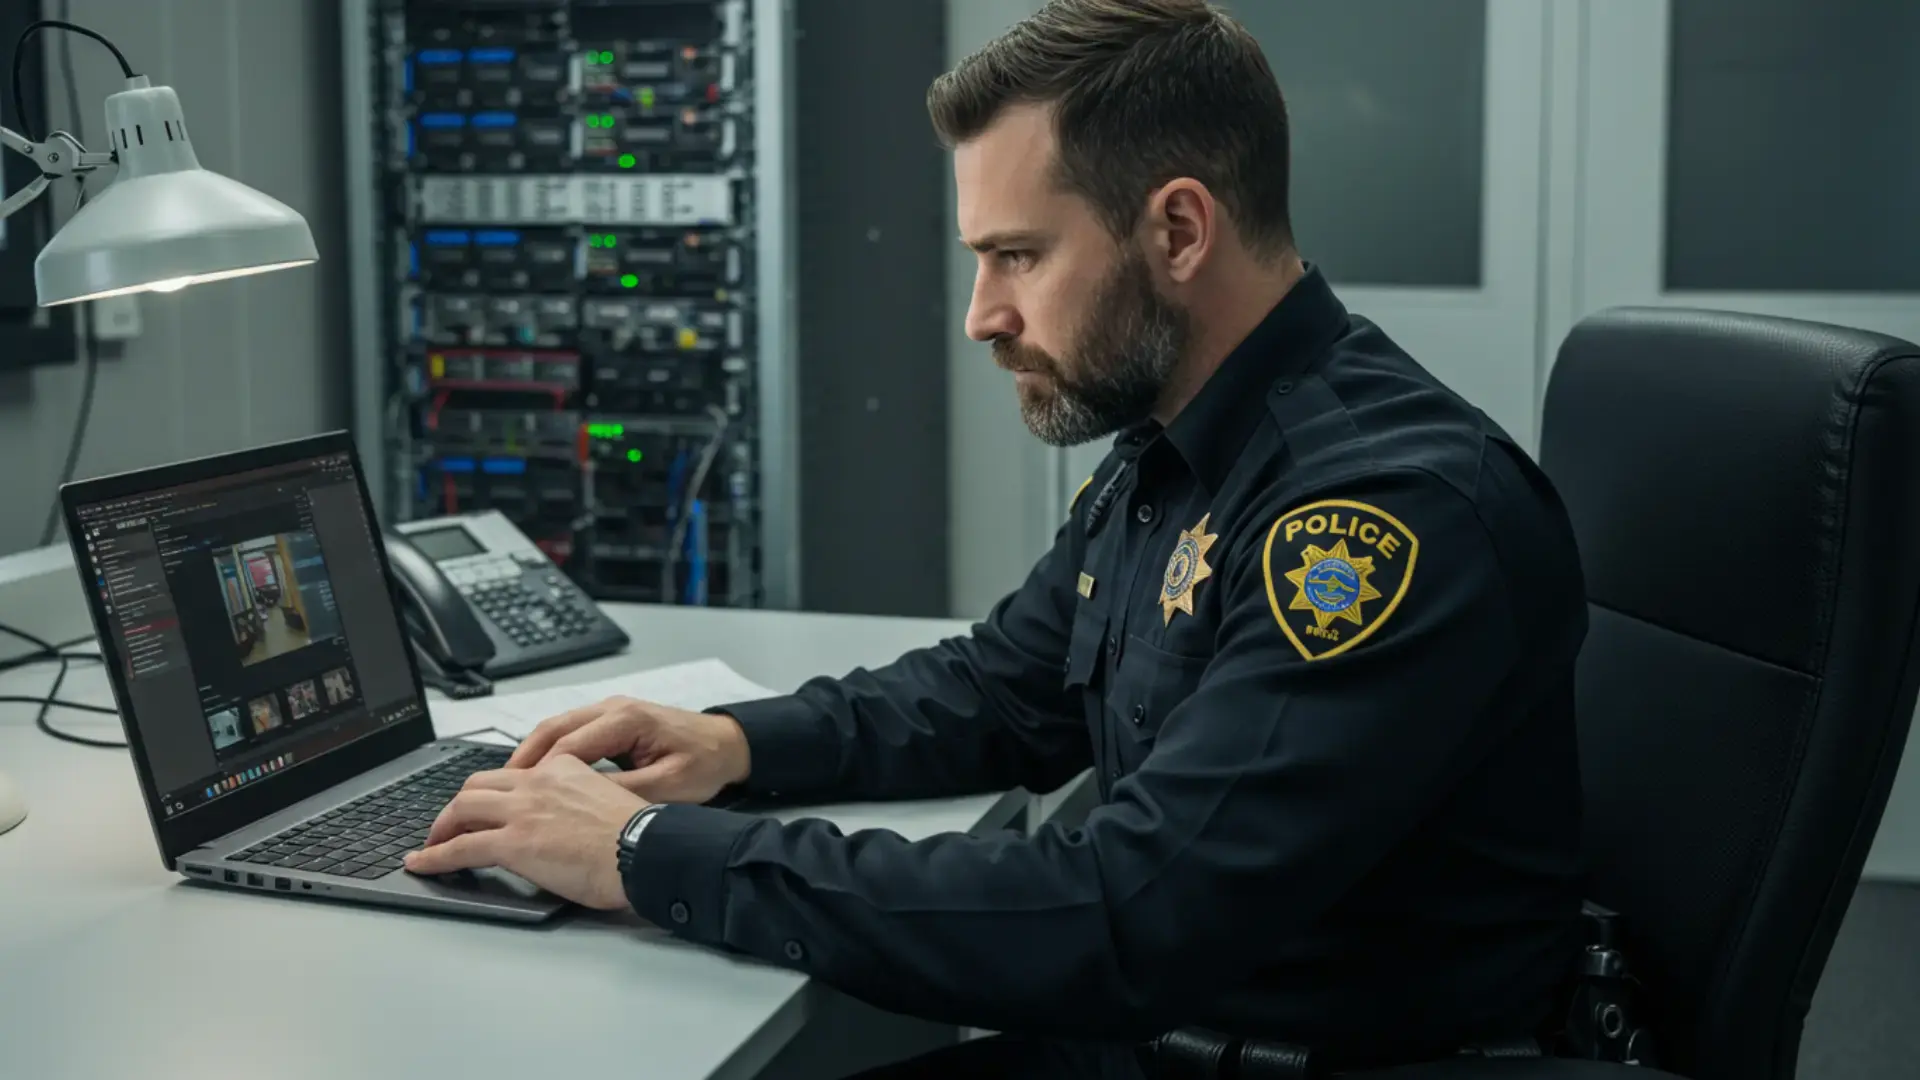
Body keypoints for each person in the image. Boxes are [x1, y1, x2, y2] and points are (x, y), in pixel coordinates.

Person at [403, 1, 1590, 1076]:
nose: (983, 316)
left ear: (1179, 231)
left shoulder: (1377, 519)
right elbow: (1001, 688)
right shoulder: (1175, 445)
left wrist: (651, 850)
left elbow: (1124, 913)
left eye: (1017, 255)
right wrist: (727, 744)